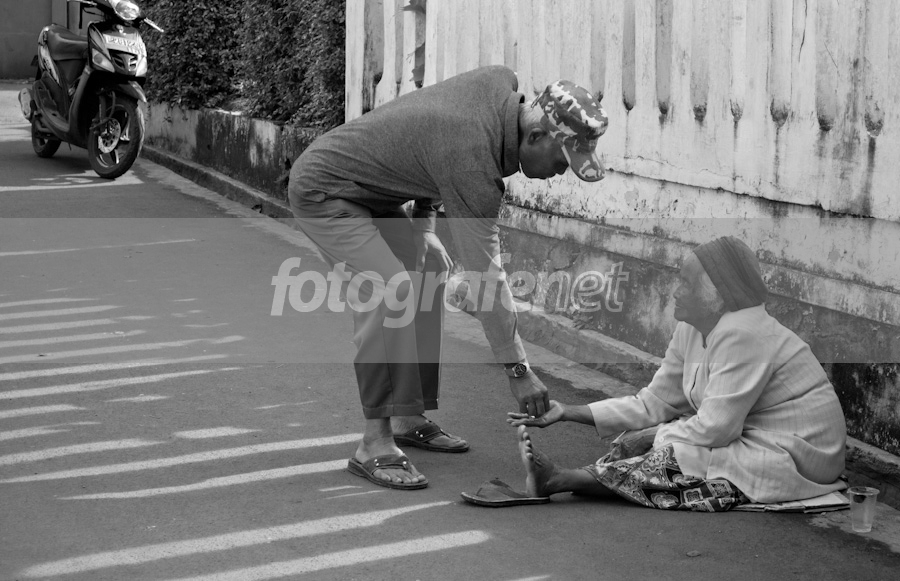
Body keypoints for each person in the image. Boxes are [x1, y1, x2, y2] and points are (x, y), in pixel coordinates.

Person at [288, 65, 609, 489]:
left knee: (429, 267)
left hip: (372, 192)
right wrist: (518, 370)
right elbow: (487, 279)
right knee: (391, 291)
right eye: (562, 160)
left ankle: (406, 416)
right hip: (325, 190)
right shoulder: (473, 162)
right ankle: (374, 443)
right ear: (534, 136)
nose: (562, 171)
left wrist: (423, 227)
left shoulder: (500, 84)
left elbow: (430, 140)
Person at [502, 236, 847, 510]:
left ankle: (561, 479)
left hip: (797, 455)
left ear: (717, 296)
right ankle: (567, 478)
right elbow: (653, 403)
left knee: (677, 456)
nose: (676, 291)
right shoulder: (692, 328)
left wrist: (656, 436)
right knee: (640, 440)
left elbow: (715, 429)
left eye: (686, 282)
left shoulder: (744, 331)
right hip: (748, 439)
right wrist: (566, 412)